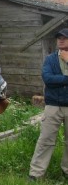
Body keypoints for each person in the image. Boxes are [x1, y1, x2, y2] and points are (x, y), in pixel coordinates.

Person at [28, 28, 68, 182]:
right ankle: (36, 174)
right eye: (59, 38)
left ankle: (67, 171)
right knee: (45, 140)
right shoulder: (51, 59)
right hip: (53, 106)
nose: (61, 40)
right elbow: (48, 78)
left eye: (65, 38)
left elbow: (54, 79)